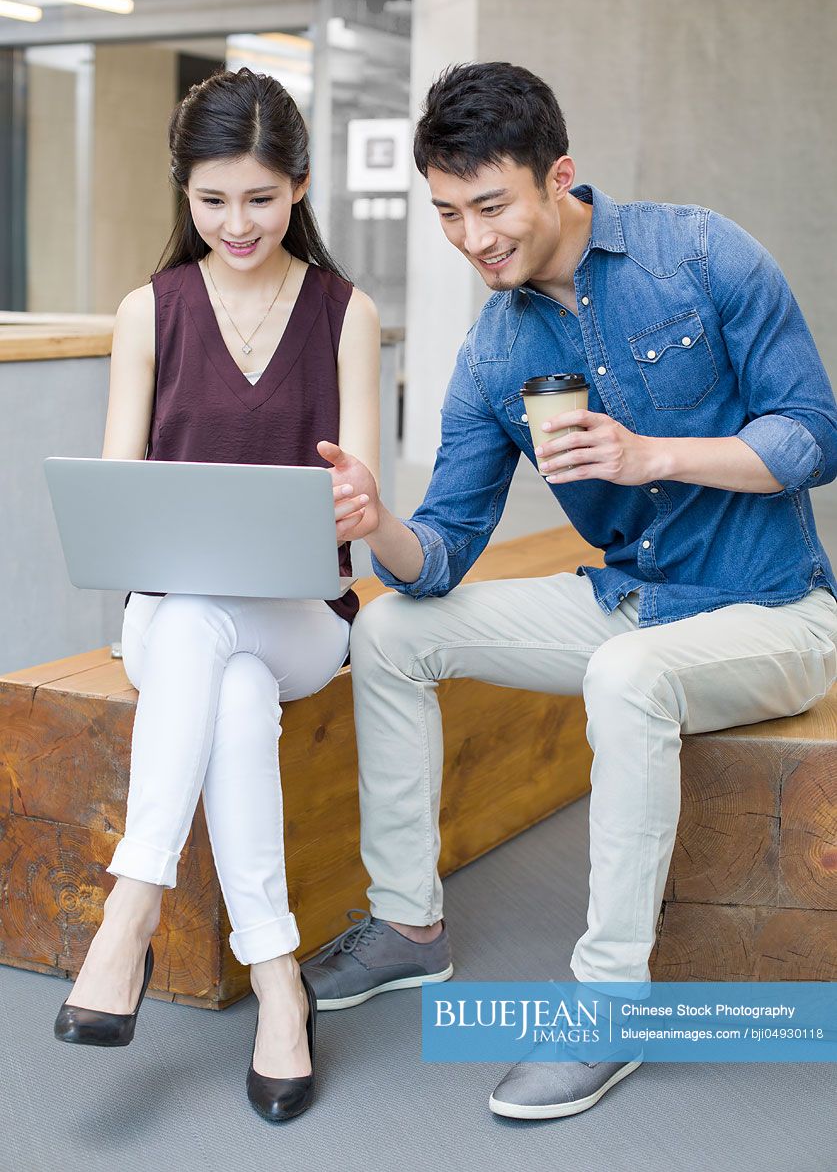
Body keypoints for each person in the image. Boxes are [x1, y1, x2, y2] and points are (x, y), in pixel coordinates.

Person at [303, 61, 837, 1119]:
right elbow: (446, 547)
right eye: (448, 213)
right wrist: (379, 524)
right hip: (627, 599)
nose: (472, 239)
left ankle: (609, 1007)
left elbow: (811, 433)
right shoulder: (494, 353)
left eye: (491, 205)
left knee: (629, 673)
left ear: (560, 176)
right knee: (394, 629)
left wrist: (654, 455)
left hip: (773, 609)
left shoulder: (700, 255)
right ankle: (410, 924)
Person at [53, 67, 381, 1125]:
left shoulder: (347, 312)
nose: (236, 223)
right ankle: (280, 984)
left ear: (298, 186)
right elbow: (121, 501)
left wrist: (354, 504)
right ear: (182, 193)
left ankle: (129, 911)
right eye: (211, 200)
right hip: (177, 624)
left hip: (302, 622)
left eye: (259, 197)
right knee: (214, 659)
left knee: (222, 639)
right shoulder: (149, 311)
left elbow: (359, 503)